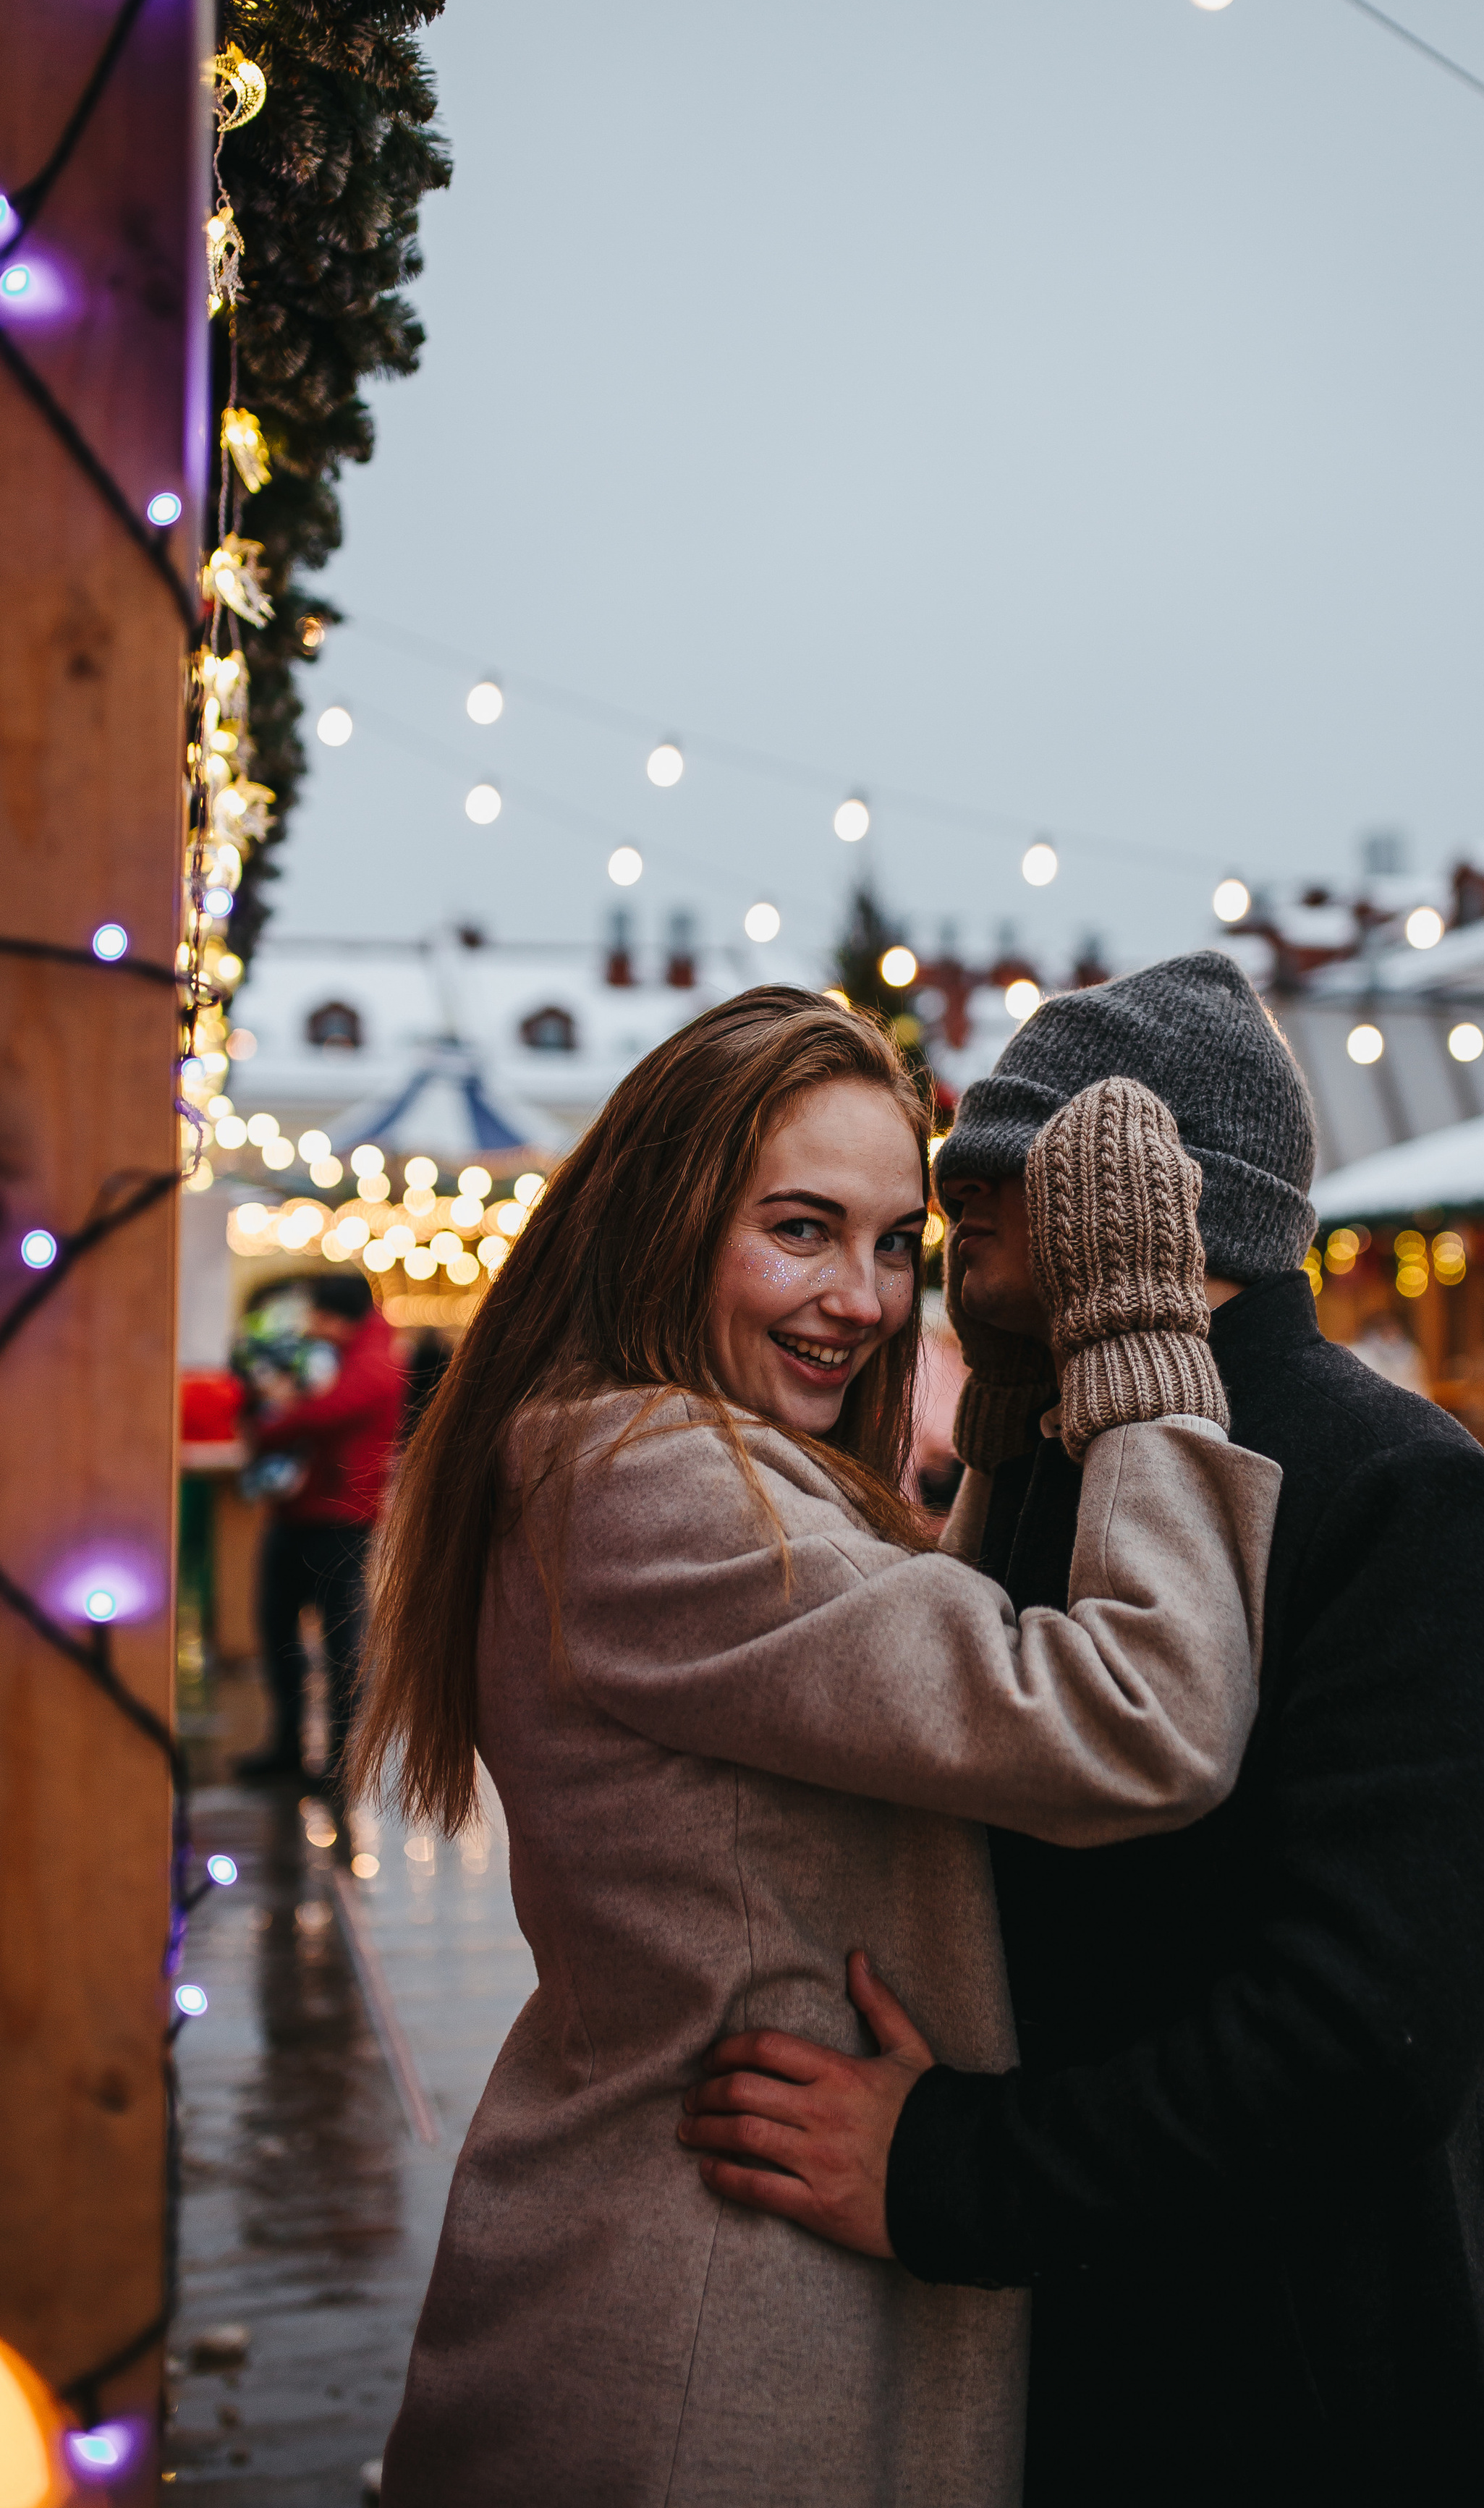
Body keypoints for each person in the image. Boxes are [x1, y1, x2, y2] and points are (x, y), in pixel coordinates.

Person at [352, 988, 1279, 2508]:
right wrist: (1133, 1338)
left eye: (895, 1244)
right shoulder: (651, 1480)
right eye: (798, 1229)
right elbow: (1140, 1721)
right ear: (662, 1223)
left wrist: (993, 1416)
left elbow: (909, 1657)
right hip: (713, 2325)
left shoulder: (646, 1453)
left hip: (705, 2254)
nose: (861, 1297)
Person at [684, 952, 1484, 2508]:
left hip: (1302, 2403)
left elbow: (1367, 2043)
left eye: (985, 1190)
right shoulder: (1044, 1465)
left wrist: (952, 2168)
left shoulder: (1396, 1492)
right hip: (1062, 2372)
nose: (947, 1241)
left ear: (1135, 1194)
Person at [236, 1268, 403, 1801]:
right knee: (278, 1629)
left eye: (320, 1316)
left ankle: (337, 1761)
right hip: (298, 1512)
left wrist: (270, 1427)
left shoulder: (375, 1359)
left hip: (342, 1517)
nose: (311, 1325)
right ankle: (288, 1745)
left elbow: (331, 1411)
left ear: (342, 1317)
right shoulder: (332, 1351)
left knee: (340, 1644)